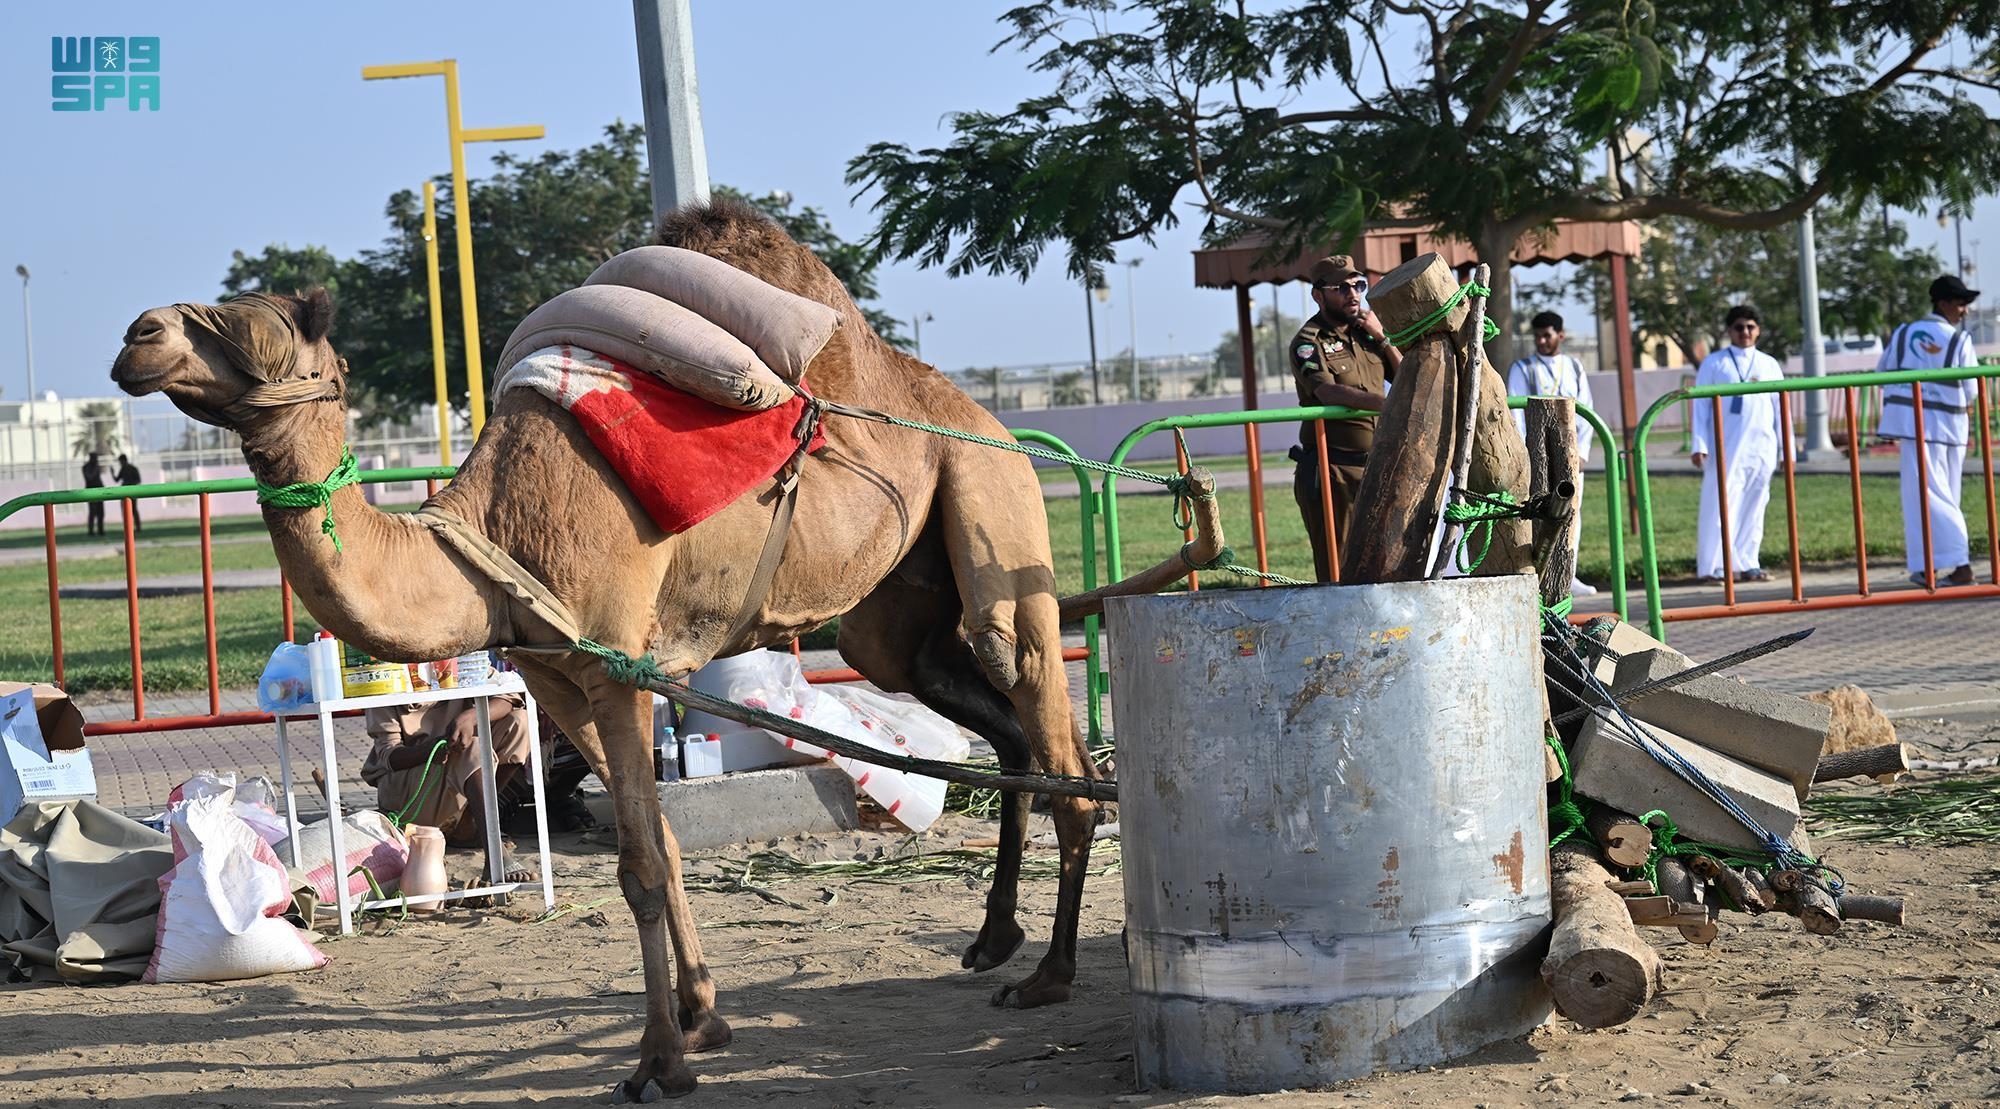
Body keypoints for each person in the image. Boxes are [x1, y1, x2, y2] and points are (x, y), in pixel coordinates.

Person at [1288, 254, 1401, 581]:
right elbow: (1328, 393)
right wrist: (1383, 404)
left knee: (1385, 562)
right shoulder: (1308, 343)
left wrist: (1382, 337)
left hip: (1378, 466)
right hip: (1333, 470)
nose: (1353, 294)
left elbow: (1406, 376)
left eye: (1358, 285)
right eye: (1342, 288)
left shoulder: (1367, 334)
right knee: (1338, 570)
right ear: (1318, 295)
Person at [361, 691, 539, 883]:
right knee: (473, 748)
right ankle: (495, 853)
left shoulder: (454, 662)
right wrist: (432, 749)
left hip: (456, 776)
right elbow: (390, 756)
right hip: (410, 790)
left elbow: (508, 697)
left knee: (520, 721)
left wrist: (470, 716)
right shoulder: (388, 677)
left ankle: (468, 824)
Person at [1877, 275, 1982, 587]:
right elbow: (1971, 391)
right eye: (1961, 303)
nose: (1964, 310)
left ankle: (1959, 565)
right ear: (1944, 303)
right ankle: (1932, 565)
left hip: (1915, 426)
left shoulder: (1903, 333)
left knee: (1926, 496)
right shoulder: (1959, 340)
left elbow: (1883, 373)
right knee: (1945, 494)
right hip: (1950, 427)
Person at [1690, 305, 1789, 583]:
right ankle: (1715, 566)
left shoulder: (1769, 364)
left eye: (1750, 327)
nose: (1745, 332)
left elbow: (1781, 409)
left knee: (1755, 505)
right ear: (1729, 330)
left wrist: (1786, 448)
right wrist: (1699, 444)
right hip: (1725, 447)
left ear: (1758, 330)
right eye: (1739, 327)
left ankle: (1749, 562)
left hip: (1762, 447)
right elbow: (1700, 407)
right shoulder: (1714, 363)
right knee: (1721, 504)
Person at [1505, 311, 1598, 596]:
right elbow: (1516, 413)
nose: (1542, 341)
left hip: (1569, 452)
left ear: (1560, 335)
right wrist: (1524, 454)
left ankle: (1569, 570)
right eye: (1538, 336)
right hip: (1537, 455)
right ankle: (1538, 570)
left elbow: (1585, 410)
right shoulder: (1523, 368)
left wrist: (1582, 451)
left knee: (1572, 512)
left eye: (1547, 335)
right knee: (1540, 511)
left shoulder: (1574, 367)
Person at [114, 453, 142, 534]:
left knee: (134, 510)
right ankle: (129, 528)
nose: (120, 463)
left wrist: (129, 483)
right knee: (126, 511)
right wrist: (112, 473)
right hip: (124, 493)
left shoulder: (132, 468)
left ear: (123, 460)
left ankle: (137, 527)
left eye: (120, 461)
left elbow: (138, 480)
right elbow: (117, 480)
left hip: (132, 492)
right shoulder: (123, 469)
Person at [80, 452, 105, 536]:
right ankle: (91, 531)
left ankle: (100, 530)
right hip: (90, 492)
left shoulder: (96, 467)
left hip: (99, 491)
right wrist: (95, 469)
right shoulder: (86, 467)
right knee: (92, 512)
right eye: (94, 458)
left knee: (100, 512)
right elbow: (89, 477)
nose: (96, 460)